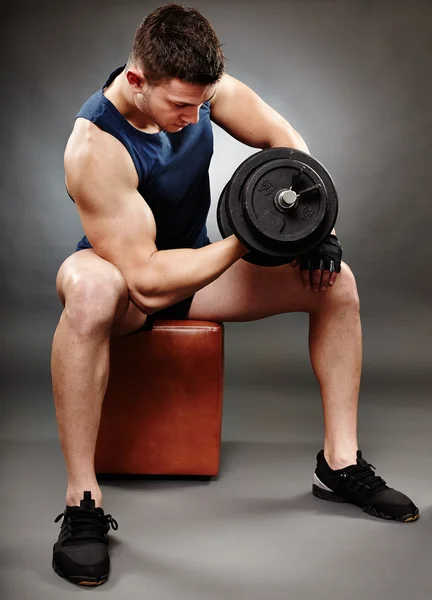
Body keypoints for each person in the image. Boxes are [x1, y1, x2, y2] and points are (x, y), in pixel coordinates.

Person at [51, 3, 419, 587]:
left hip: (194, 267)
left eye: (202, 103)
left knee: (337, 284)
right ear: (136, 80)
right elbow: (145, 279)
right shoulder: (94, 146)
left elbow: (288, 144)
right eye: (181, 105)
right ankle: (82, 502)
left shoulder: (202, 90)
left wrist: (313, 222)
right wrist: (250, 236)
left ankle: (339, 463)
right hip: (123, 278)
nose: (195, 116)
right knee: (94, 289)